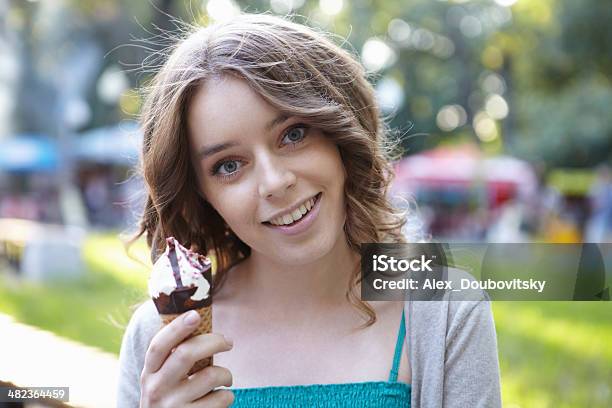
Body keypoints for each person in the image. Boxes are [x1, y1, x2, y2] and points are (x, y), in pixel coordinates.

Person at [117, 13, 501, 407]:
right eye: (229, 165)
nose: (274, 182)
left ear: (340, 134)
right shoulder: (158, 341)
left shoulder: (445, 308)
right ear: (201, 195)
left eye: (293, 134)